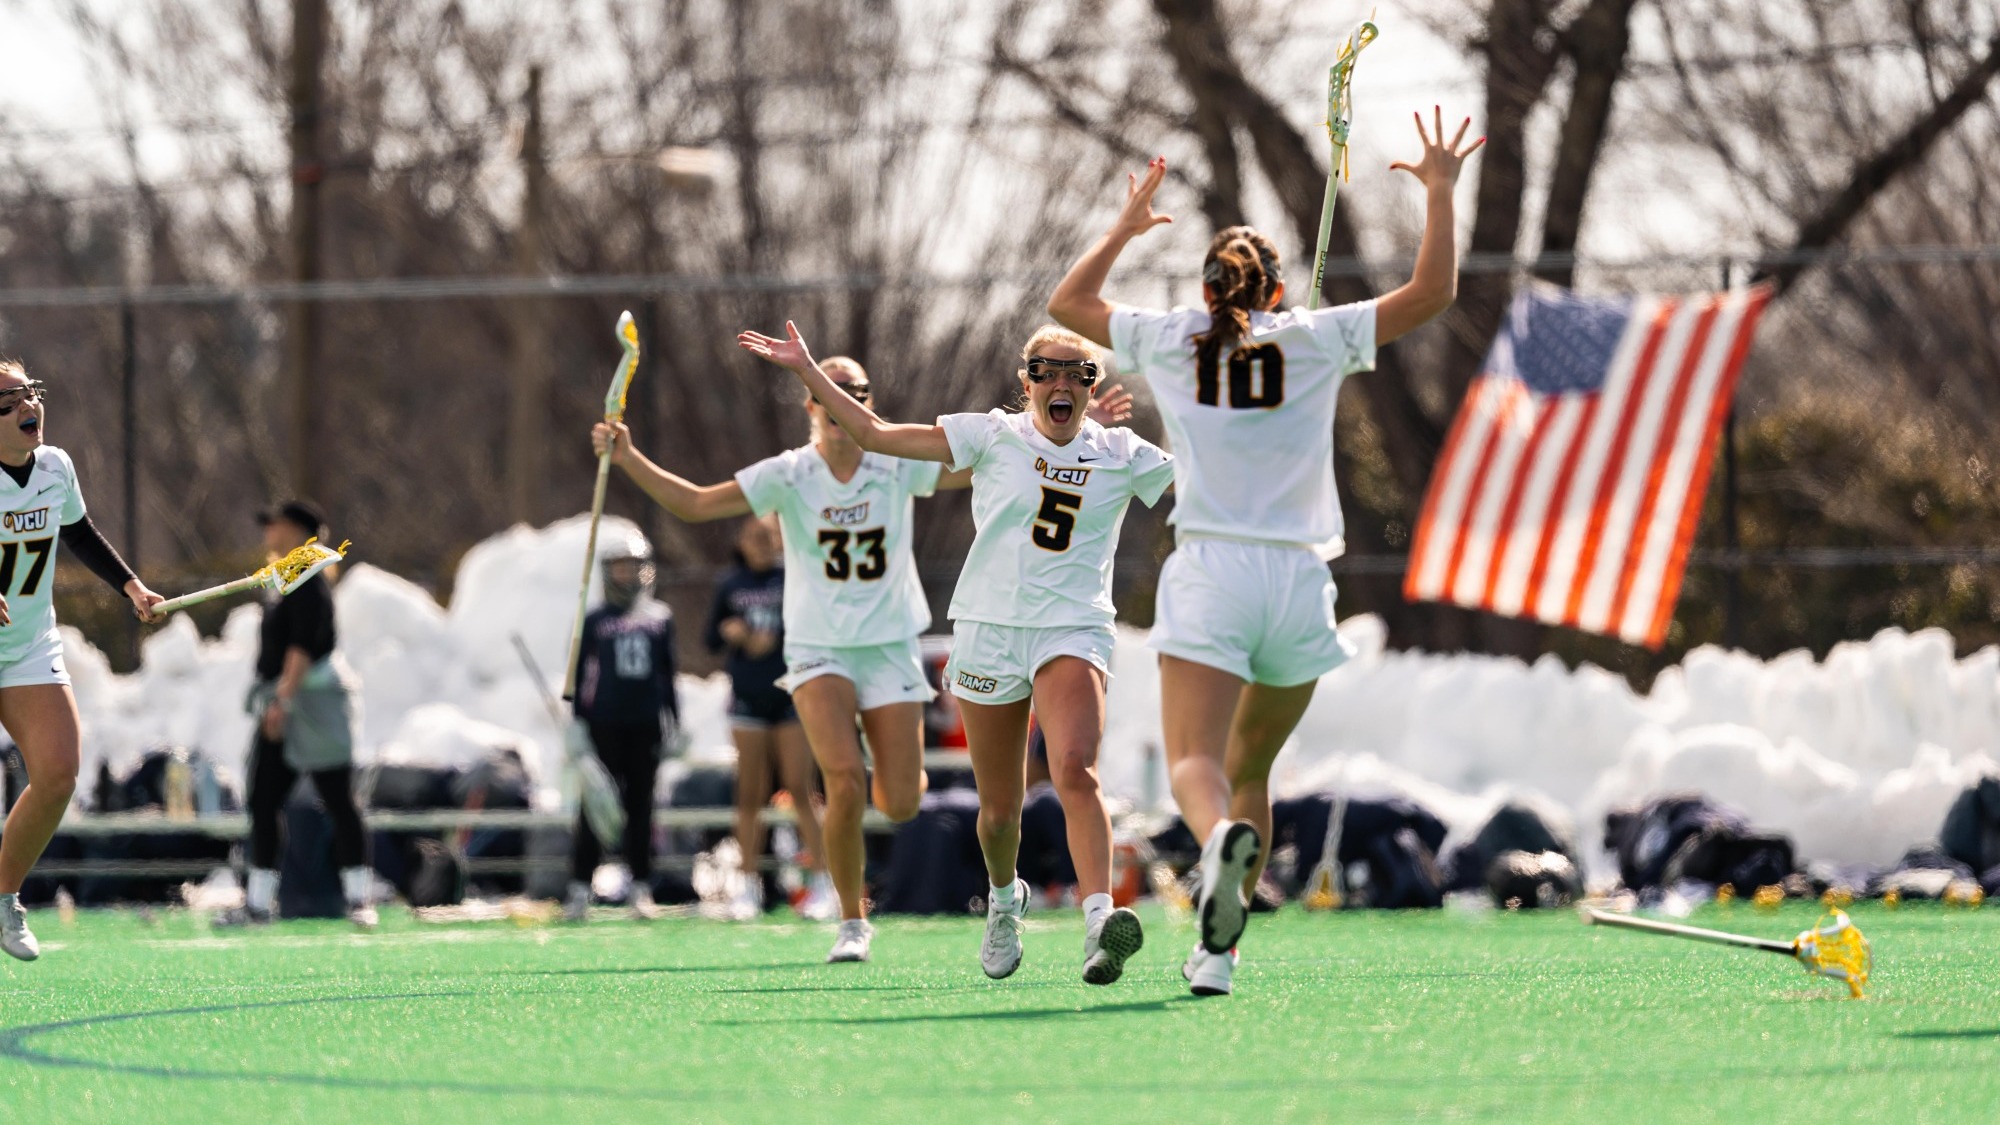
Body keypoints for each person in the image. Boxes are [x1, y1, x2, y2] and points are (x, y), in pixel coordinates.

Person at [1045, 109, 1484, 996]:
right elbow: (1433, 293)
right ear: (1276, 291)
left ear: (1209, 290)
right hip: (1298, 582)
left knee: (1195, 768)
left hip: (1212, 572)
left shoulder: (1172, 337)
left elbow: (1067, 308)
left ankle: (1214, 850)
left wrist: (1123, 231)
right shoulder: (1314, 337)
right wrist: (1438, 192)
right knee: (1251, 769)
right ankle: (1217, 953)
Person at [738, 321, 1173, 986]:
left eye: (1076, 373)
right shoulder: (991, 434)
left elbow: (1204, 480)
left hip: (1072, 628)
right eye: (1046, 370)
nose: (1061, 382)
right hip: (988, 631)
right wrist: (806, 370)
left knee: (1075, 768)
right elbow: (878, 435)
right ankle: (1004, 899)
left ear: (1093, 386)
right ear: (1025, 381)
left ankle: (1096, 923)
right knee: (998, 812)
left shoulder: (1119, 449)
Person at [591, 356, 948, 964]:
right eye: (826, 394)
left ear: (868, 403)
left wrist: (1053, 438)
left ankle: (893, 776)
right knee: (837, 779)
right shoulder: (792, 473)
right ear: (811, 407)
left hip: (887, 645)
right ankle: (852, 920)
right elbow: (699, 504)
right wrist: (628, 458)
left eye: (853, 394)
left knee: (899, 801)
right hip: (818, 647)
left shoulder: (896, 464)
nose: (839, 406)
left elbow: (985, 468)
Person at [0, 359, 164, 960]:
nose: (27, 409)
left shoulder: (55, 467)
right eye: (9, 401)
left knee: (59, 772)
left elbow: (79, 532)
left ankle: (2, 899)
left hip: (26, 647)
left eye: (30, 394)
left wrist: (131, 587)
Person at [234, 500, 373, 929]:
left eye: (274, 525)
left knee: (337, 798)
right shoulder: (285, 580)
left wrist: (282, 702)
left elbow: (300, 648)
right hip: (284, 700)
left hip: (306, 707)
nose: (267, 533)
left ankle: (358, 898)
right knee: (264, 799)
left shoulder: (308, 583)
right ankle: (257, 903)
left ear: (295, 530)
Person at [706, 514, 834, 922]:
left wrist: (775, 638)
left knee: (800, 786)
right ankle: (746, 885)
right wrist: (733, 633)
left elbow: (817, 626)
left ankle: (822, 881)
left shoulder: (793, 577)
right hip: (747, 700)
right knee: (750, 792)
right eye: (754, 537)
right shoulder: (730, 583)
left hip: (789, 695)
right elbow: (709, 637)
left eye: (769, 536)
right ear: (740, 541)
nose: (762, 543)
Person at [563, 534, 680, 922]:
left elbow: (668, 676)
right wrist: (578, 721)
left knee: (641, 809)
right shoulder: (595, 620)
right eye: (619, 566)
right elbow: (582, 676)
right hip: (604, 724)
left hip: (645, 725)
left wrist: (674, 723)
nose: (626, 573)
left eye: (632, 565)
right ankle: (580, 886)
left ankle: (641, 885)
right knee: (595, 807)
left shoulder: (659, 618)